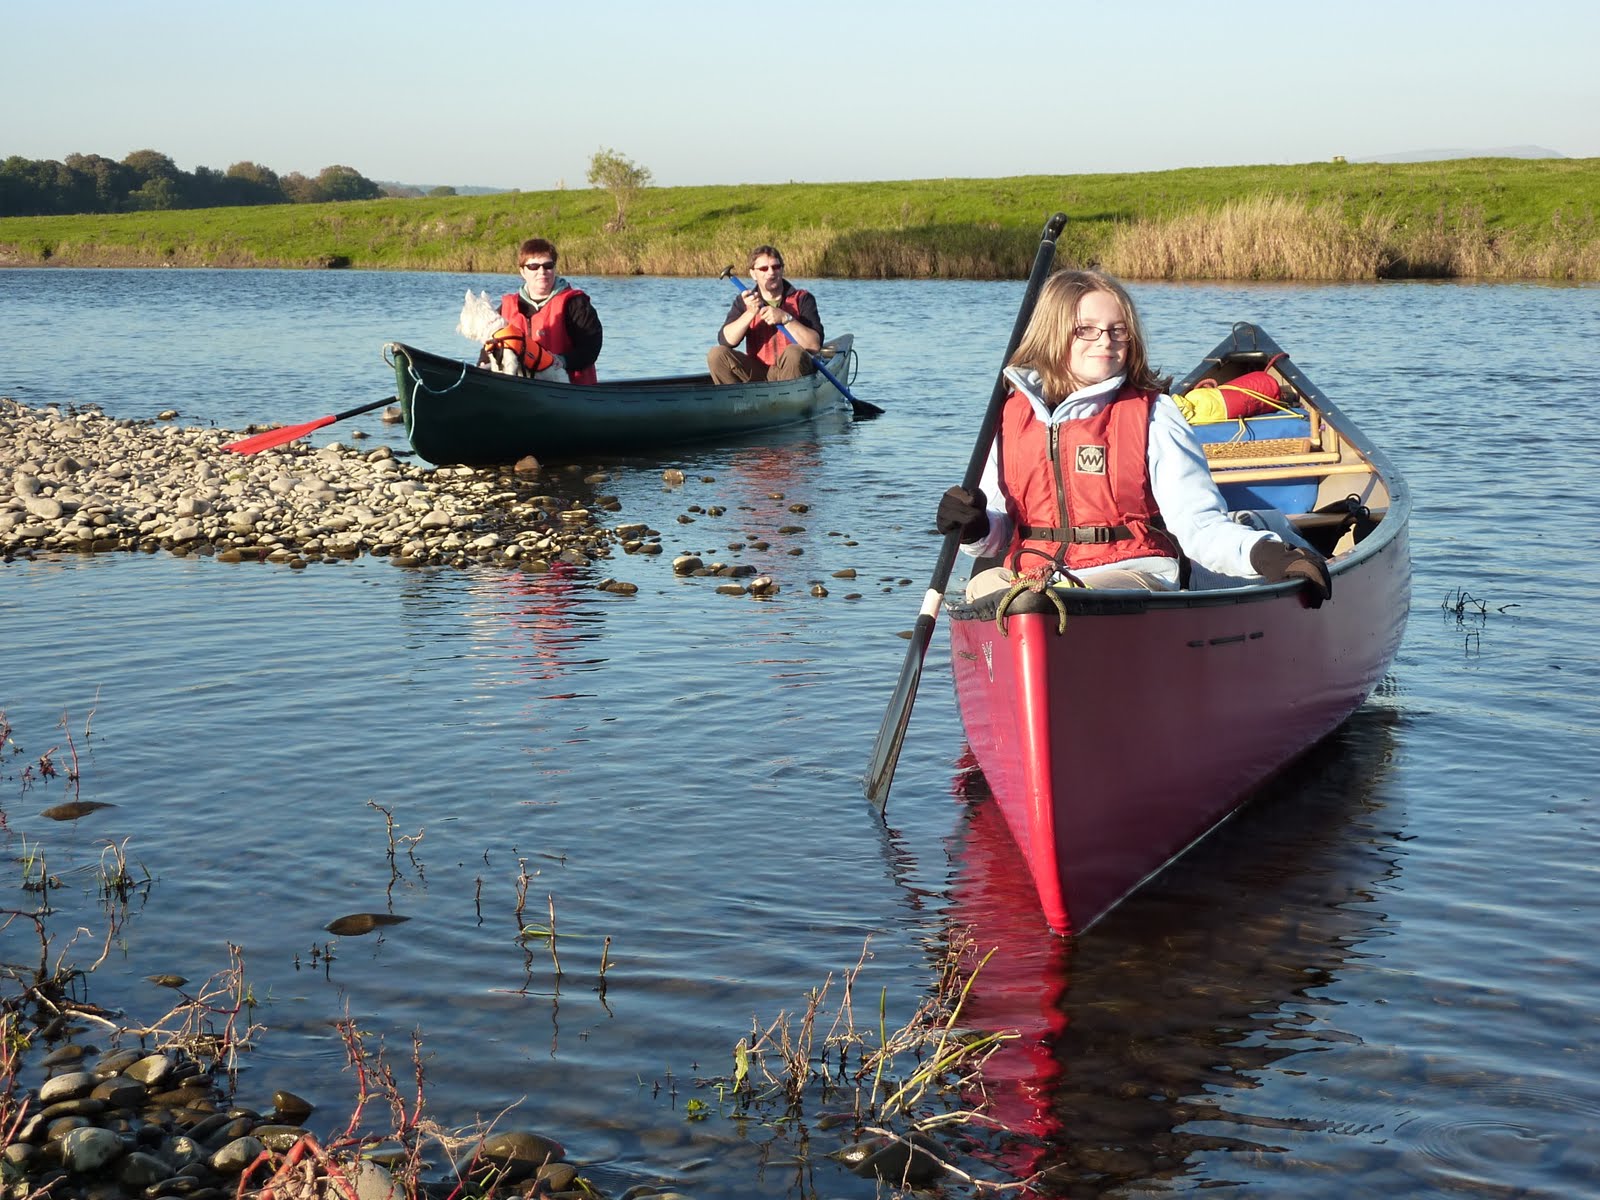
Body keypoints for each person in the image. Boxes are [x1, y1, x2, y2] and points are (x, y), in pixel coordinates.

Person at [935, 269, 1331, 603]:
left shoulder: (1155, 414)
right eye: (1086, 330)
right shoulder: (1007, 417)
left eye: (1117, 330)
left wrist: (1266, 554)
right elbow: (995, 537)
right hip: (1032, 576)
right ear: (1053, 334)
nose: (1105, 341)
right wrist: (975, 527)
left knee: (1058, 598)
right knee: (987, 587)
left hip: (1133, 573)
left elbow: (1198, 525)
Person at [486, 238, 603, 383]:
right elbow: (490, 345)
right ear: (522, 271)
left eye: (548, 266)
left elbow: (590, 349)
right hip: (520, 387)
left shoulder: (576, 304)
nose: (542, 272)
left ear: (554, 268)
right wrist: (483, 365)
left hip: (569, 388)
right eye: (534, 266)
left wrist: (562, 361)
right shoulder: (507, 307)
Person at [707, 245, 823, 385]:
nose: (771, 273)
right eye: (763, 269)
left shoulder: (803, 299)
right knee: (716, 355)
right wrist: (750, 313)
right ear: (753, 273)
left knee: (794, 352)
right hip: (757, 372)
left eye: (776, 267)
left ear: (782, 269)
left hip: (794, 372)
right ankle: (737, 401)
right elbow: (725, 340)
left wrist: (786, 319)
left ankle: (788, 401)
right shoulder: (743, 301)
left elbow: (814, 345)